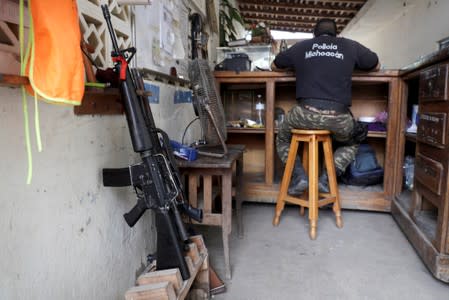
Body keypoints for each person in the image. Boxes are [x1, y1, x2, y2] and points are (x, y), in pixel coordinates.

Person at [271, 18, 380, 195]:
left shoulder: (302, 46)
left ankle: (300, 177)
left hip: (304, 114)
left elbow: (274, 66)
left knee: (282, 137)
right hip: (338, 117)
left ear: (314, 35)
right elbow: (376, 65)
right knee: (352, 142)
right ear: (336, 34)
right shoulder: (350, 46)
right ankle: (326, 180)